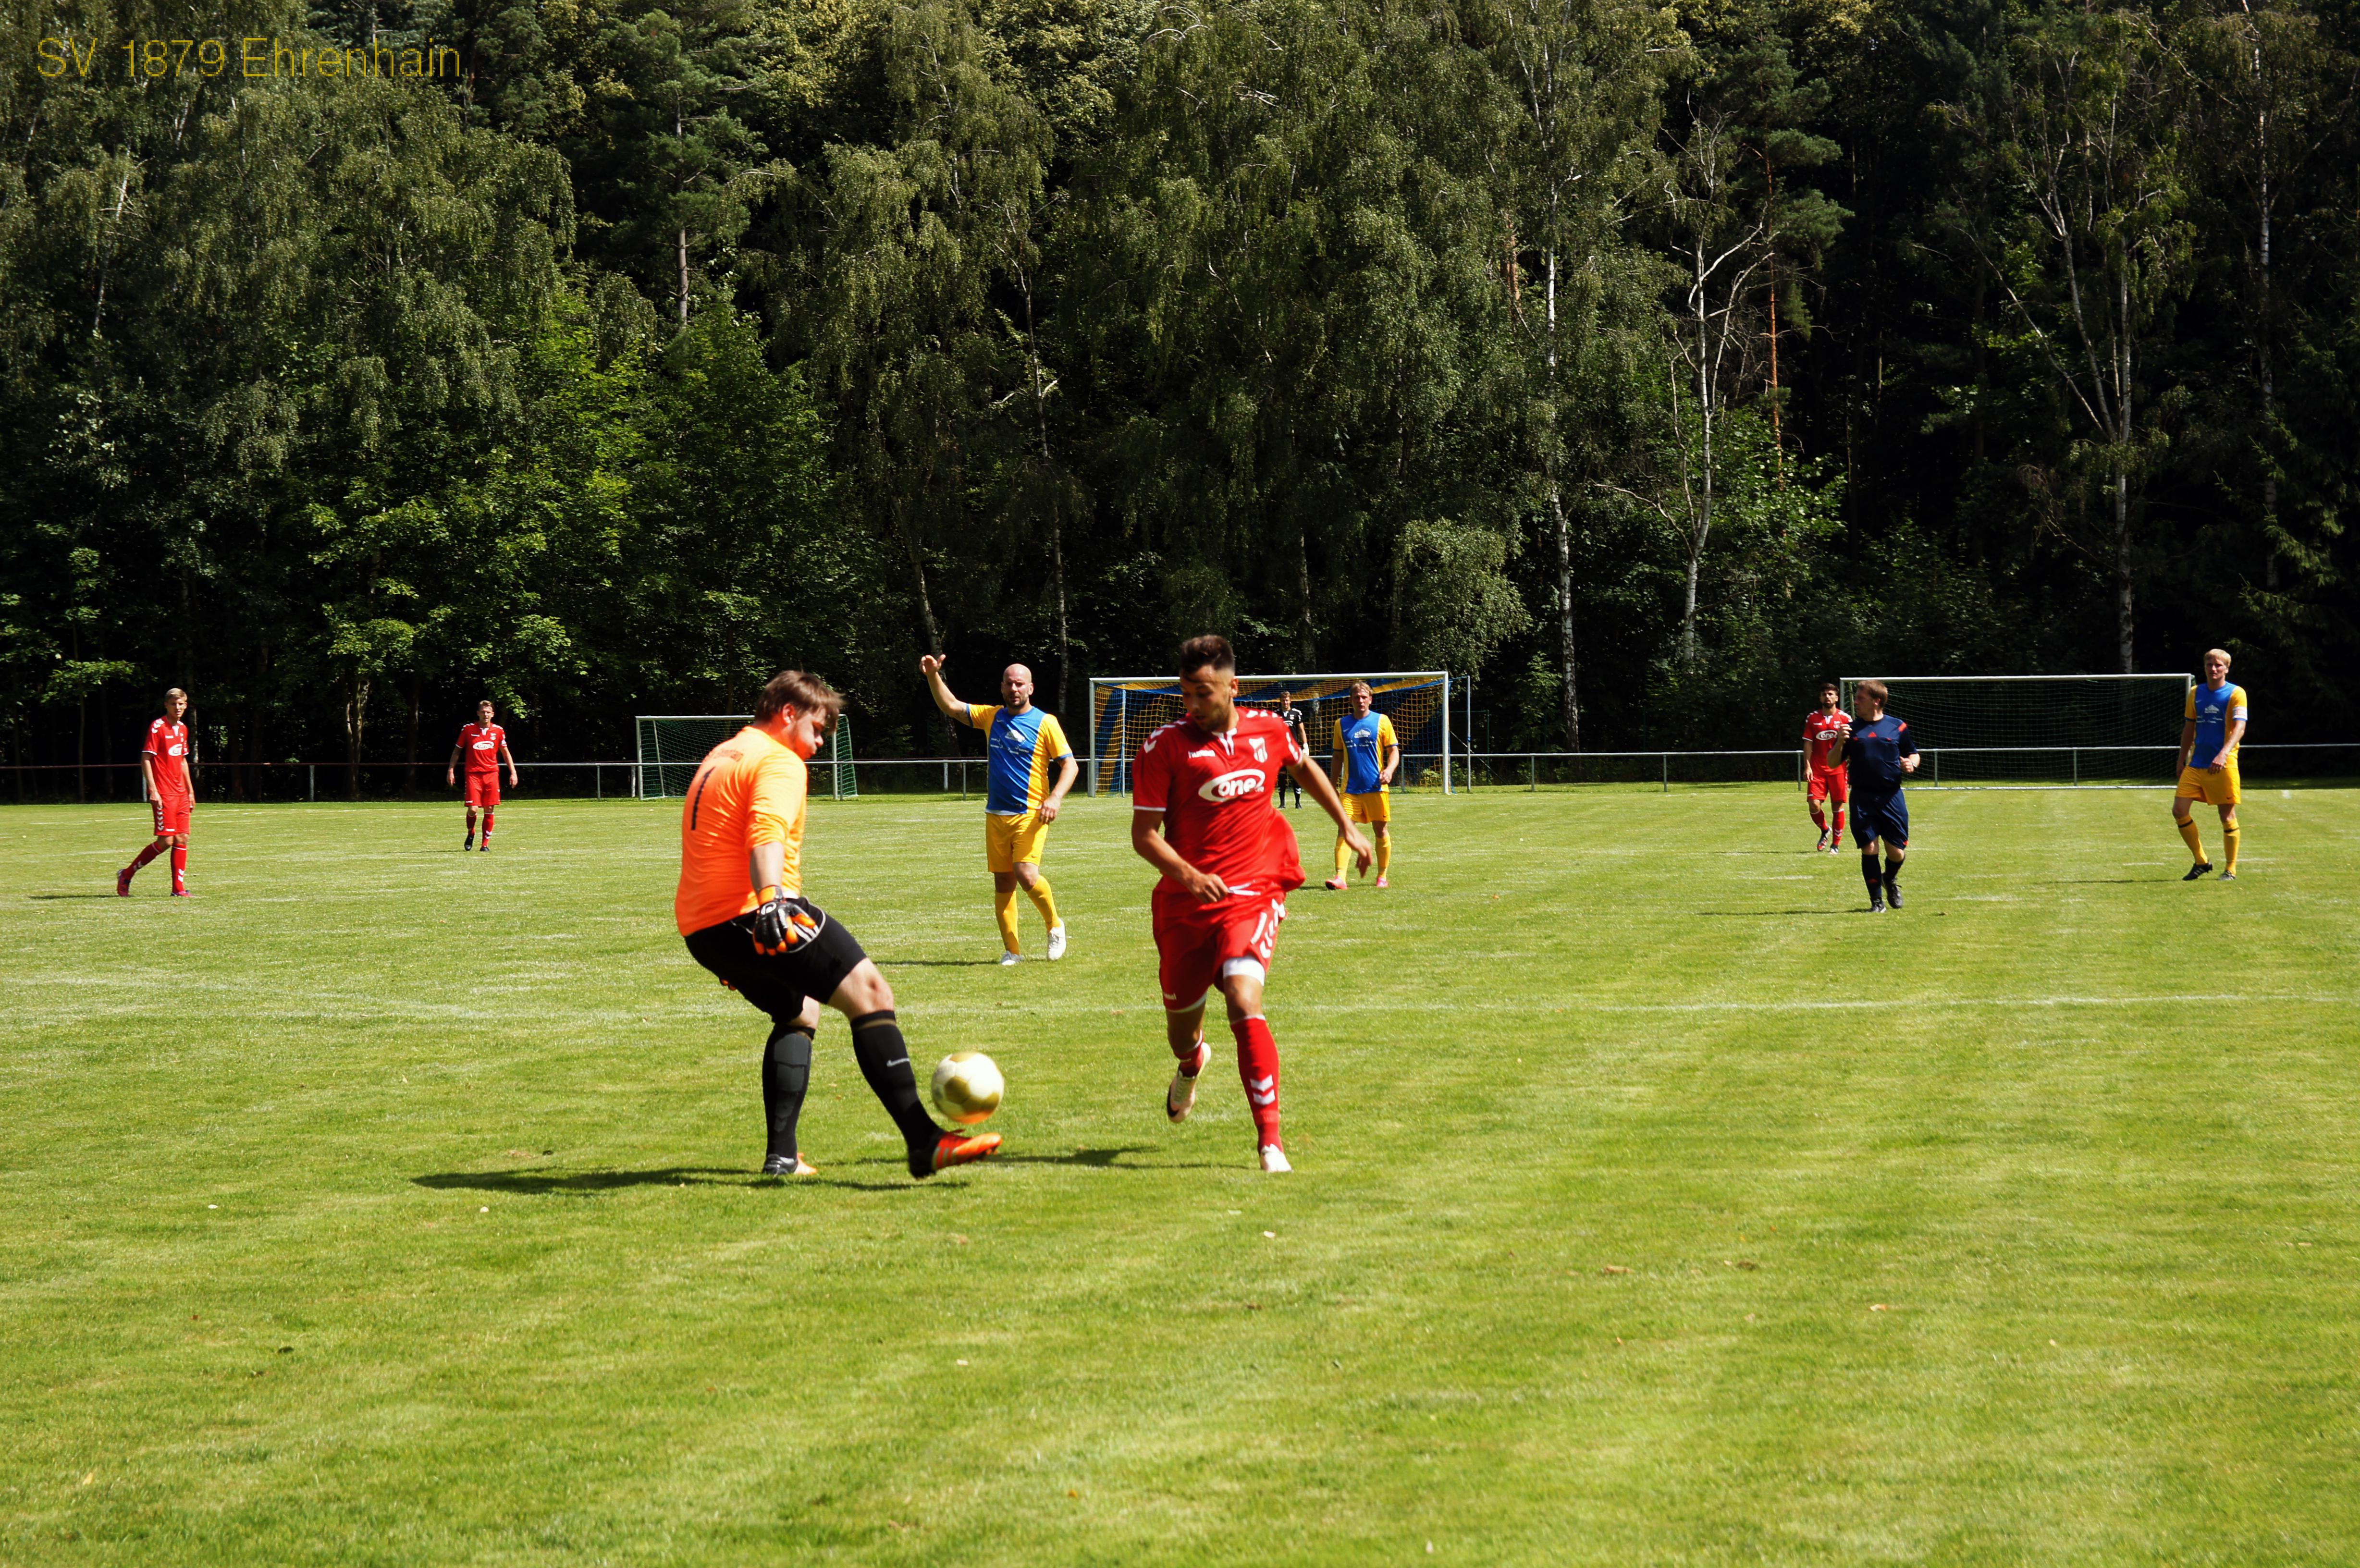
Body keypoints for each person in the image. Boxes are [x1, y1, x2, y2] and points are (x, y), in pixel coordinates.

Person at [678, 670, 1003, 1179]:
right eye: (817, 727)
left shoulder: (724, 754)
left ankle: (783, 1157)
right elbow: (766, 833)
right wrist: (771, 901)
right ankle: (925, 1142)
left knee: (799, 1011)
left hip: (703, 930)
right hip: (757, 914)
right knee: (871, 993)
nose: (821, 741)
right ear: (788, 713)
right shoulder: (778, 760)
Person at [1131, 635, 1373, 1173]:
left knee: (1243, 1001)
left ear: (1233, 687)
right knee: (1181, 1035)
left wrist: (1346, 824)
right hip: (1185, 904)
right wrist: (1190, 875)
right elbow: (1143, 836)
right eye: (1186, 694)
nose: (1193, 705)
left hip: (1253, 891)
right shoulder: (1163, 748)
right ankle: (1192, 1062)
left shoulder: (1269, 728)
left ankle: (1270, 1142)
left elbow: (1303, 767)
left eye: (1204, 693)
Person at [920, 656, 1080, 964]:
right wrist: (932, 676)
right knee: (1004, 882)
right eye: (1009, 684)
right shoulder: (991, 717)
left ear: (1031, 688)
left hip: (1031, 813)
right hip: (996, 815)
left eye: (1020, 684)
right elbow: (951, 706)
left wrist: (1055, 798)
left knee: (1026, 875)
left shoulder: (1046, 722)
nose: (1014, 689)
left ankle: (1055, 925)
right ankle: (1013, 952)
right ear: (1002, 687)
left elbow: (1070, 766)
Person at [1828, 679, 1919, 912]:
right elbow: (1832, 762)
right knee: (1869, 848)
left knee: (1896, 852)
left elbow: (1913, 753)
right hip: (1862, 797)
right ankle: (1876, 903)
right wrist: (1840, 742)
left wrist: (1911, 764)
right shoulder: (1850, 729)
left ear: (1876, 701)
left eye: (1861, 698)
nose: (1856, 702)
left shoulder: (1897, 726)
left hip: (1891, 797)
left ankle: (1890, 878)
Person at [2174, 648, 2248, 882]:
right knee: (2179, 810)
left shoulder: (2236, 693)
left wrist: (2223, 755)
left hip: (2224, 764)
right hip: (2197, 763)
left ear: (2227, 669)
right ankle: (2201, 861)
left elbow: (2240, 727)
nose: (2214, 669)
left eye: (2218, 665)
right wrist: (2182, 759)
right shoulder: (2196, 692)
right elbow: (2189, 728)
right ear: (2205, 667)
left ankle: (2231, 869)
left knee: (2227, 817)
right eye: (2210, 665)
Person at [118, 688, 196, 897]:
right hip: (164, 792)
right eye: (174, 704)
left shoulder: (183, 729)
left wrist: (190, 791)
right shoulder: (158, 727)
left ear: (186, 705)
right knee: (166, 841)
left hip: (181, 793)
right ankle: (127, 874)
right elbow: (146, 758)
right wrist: (153, 789)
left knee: (182, 838)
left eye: (181, 704)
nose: (178, 708)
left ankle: (178, 889)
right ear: (166, 705)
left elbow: (182, 760)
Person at [1325, 681, 1399, 889]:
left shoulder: (1382, 721)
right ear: (1351, 700)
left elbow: (1394, 751)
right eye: (1357, 697)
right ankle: (1340, 878)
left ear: (1370, 700)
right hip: (1350, 790)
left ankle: (1382, 876)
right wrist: (1332, 784)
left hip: (1377, 788)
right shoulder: (1341, 724)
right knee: (1344, 830)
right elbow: (1337, 757)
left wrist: (1389, 770)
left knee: (1380, 831)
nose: (1361, 701)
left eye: (1364, 697)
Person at [446, 700, 519, 850]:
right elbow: (457, 751)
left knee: (489, 809)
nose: (486, 715)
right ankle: (471, 832)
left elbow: (506, 753)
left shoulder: (498, 731)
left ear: (493, 714)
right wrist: (451, 770)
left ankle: (485, 845)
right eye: (483, 712)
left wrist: (513, 772)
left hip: (492, 774)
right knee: (473, 809)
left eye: (488, 712)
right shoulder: (468, 729)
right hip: (473, 774)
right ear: (478, 713)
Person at [1801, 681, 1851, 852]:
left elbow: (1852, 745)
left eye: (1831, 694)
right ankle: (1825, 829)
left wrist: (1853, 768)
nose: (1827, 697)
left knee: (1837, 807)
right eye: (1824, 694)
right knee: (1814, 805)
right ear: (1820, 698)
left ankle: (1836, 845)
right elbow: (1808, 743)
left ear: (1837, 698)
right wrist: (1807, 766)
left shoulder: (1845, 719)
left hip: (1838, 770)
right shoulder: (1812, 718)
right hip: (1817, 770)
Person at [1274, 691, 1310, 808]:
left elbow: (1301, 731)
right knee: (1282, 775)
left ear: (1290, 701)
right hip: (1281, 750)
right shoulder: (1276, 714)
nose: (1285, 702)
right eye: (1283, 700)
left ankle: (1298, 803)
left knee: (1296, 775)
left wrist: (1305, 745)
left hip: (1294, 749)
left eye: (1287, 700)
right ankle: (1282, 804)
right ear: (1280, 701)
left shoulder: (1297, 713)